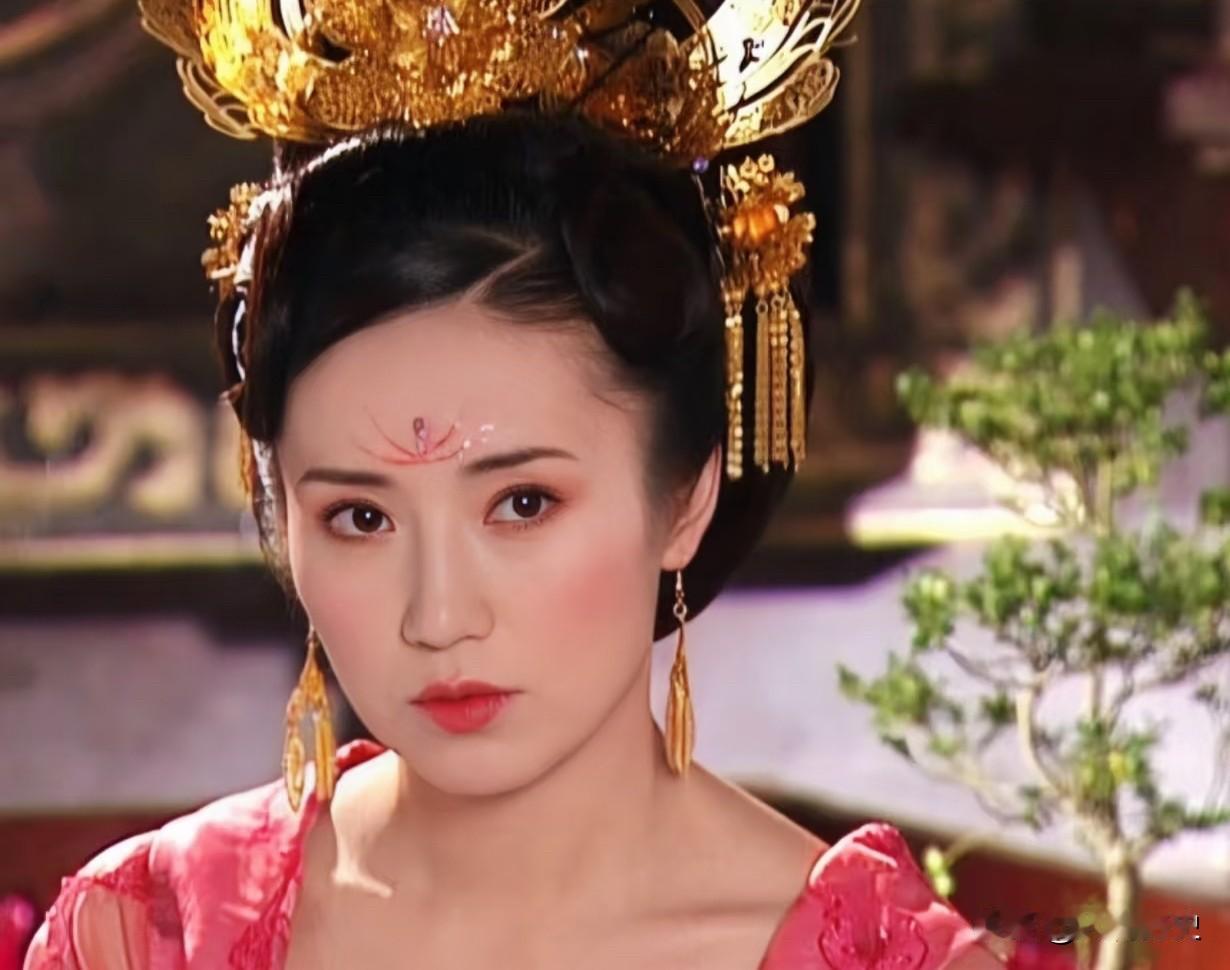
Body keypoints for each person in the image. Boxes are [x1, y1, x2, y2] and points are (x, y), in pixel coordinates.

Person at [26, 1, 1007, 967]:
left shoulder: (876, 960)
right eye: (359, 516)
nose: (439, 617)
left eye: (522, 504)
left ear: (685, 495)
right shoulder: (148, 936)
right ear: (278, 510)